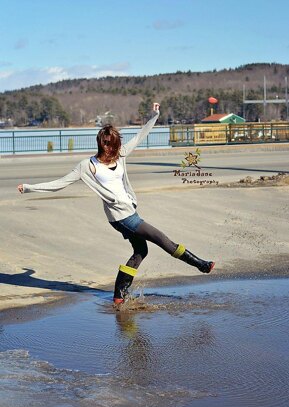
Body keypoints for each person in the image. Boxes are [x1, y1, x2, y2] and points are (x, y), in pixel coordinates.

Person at [18, 103, 215, 305]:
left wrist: (154, 116)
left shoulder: (120, 155)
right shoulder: (88, 166)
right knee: (162, 239)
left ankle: (119, 294)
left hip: (130, 211)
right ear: (104, 144)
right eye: (112, 144)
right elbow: (59, 184)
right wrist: (29, 187)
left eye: (117, 144)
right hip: (120, 217)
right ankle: (201, 265)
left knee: (141, 251)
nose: (117, 148)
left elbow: (139, 137)